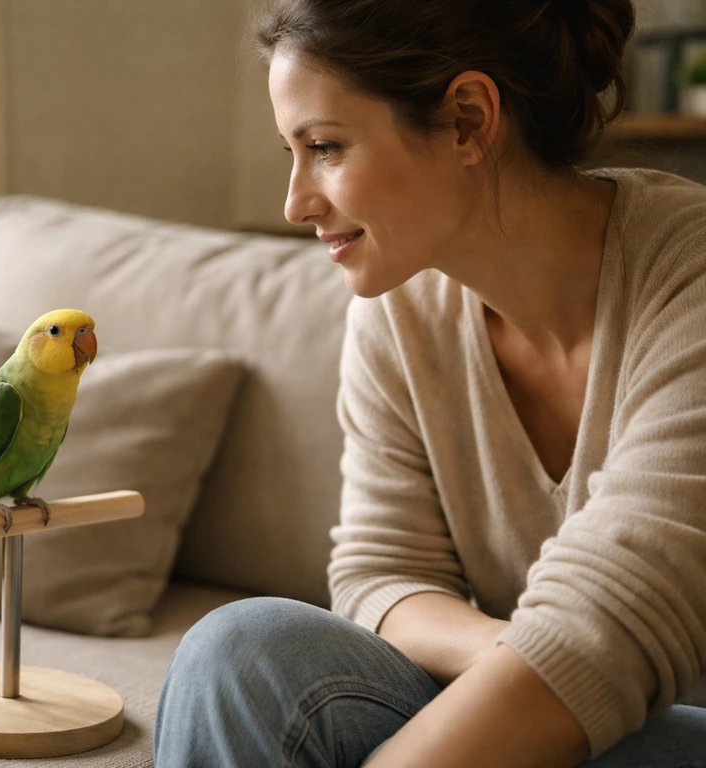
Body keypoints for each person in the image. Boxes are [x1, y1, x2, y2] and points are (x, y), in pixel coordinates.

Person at [153, 0, 706, 766]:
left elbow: (620, 622)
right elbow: (383, 572)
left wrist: (548, 666)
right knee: (242, 654)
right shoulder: (400, 305)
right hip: (551, 689)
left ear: (469, 119)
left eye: (325, 147)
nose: (296, 202)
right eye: (292, 150)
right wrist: (522, 654)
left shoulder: (690, 278)